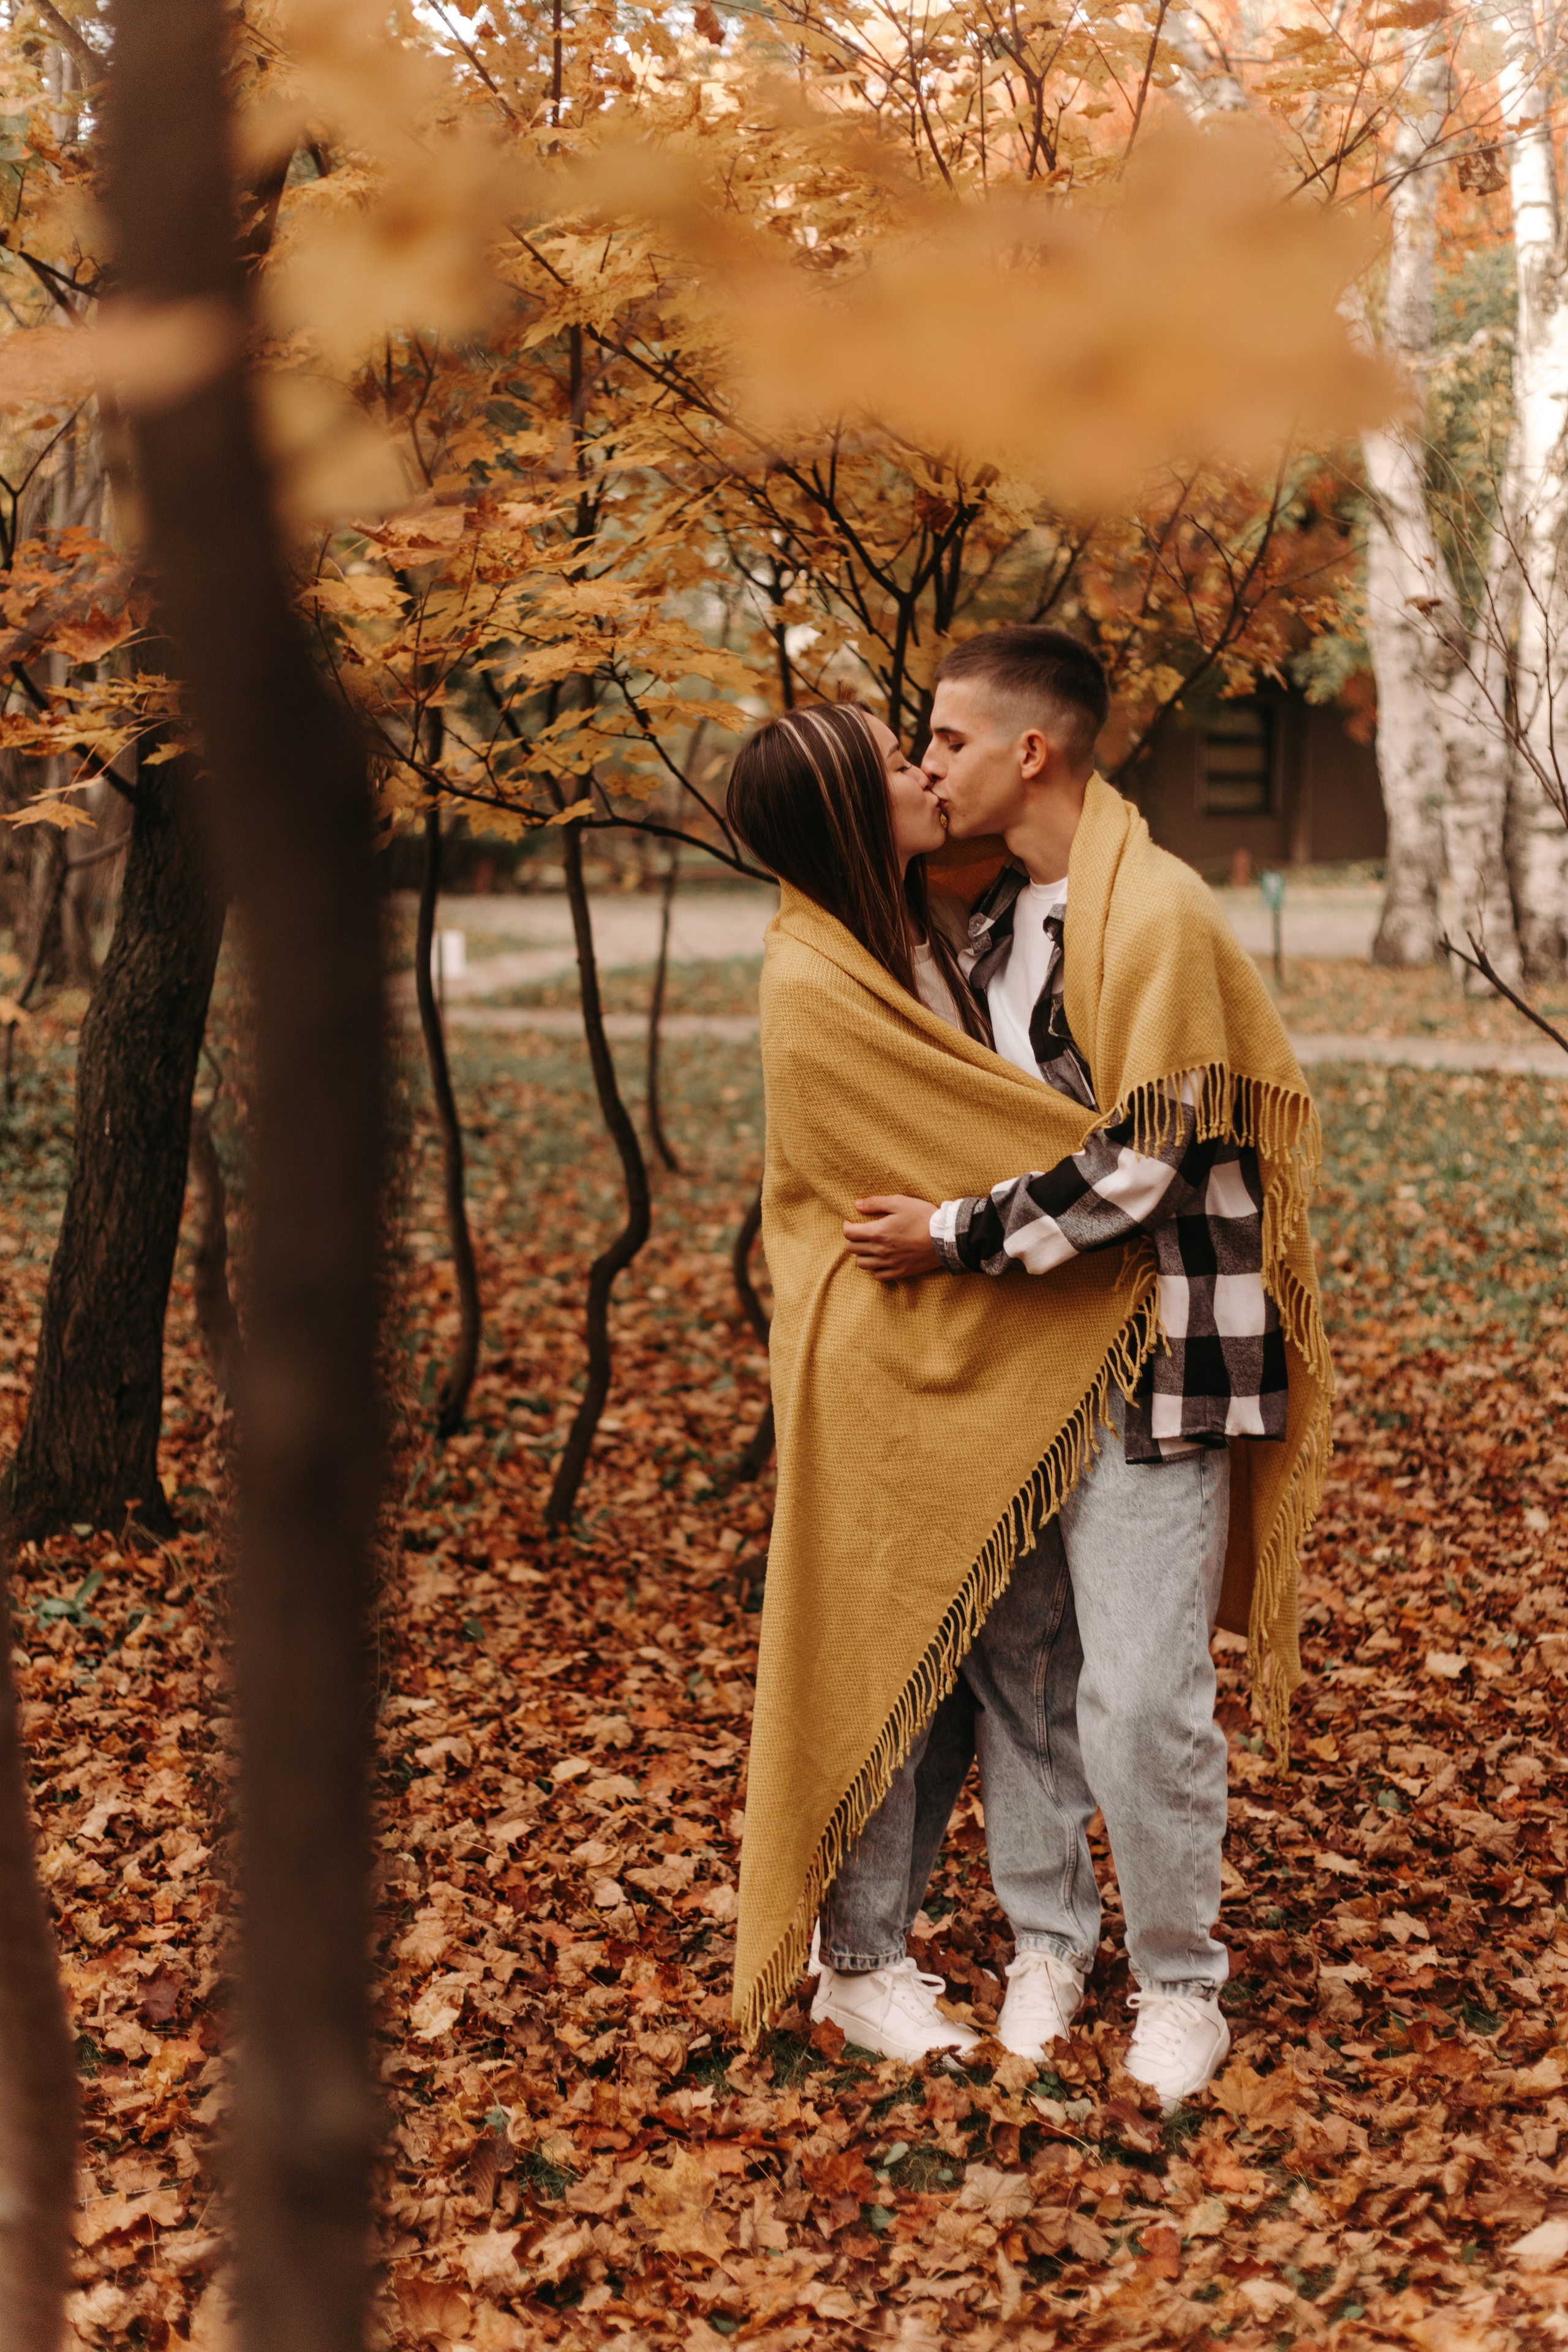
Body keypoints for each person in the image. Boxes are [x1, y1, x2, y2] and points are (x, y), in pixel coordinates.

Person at [729, 664, 1330, 2111]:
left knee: (1140, 1696)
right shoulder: (958, 927)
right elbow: (908, 1134)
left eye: (941, 741)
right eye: (905, 753)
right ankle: (1043, 1948)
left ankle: (1180, 1986)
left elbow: (1145, 1154)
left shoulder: (1150, 913)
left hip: (1151, 1348)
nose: (928, 766)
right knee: (1017, 1678)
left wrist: (952, 1230)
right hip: (997, 1368)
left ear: (1030, 752)